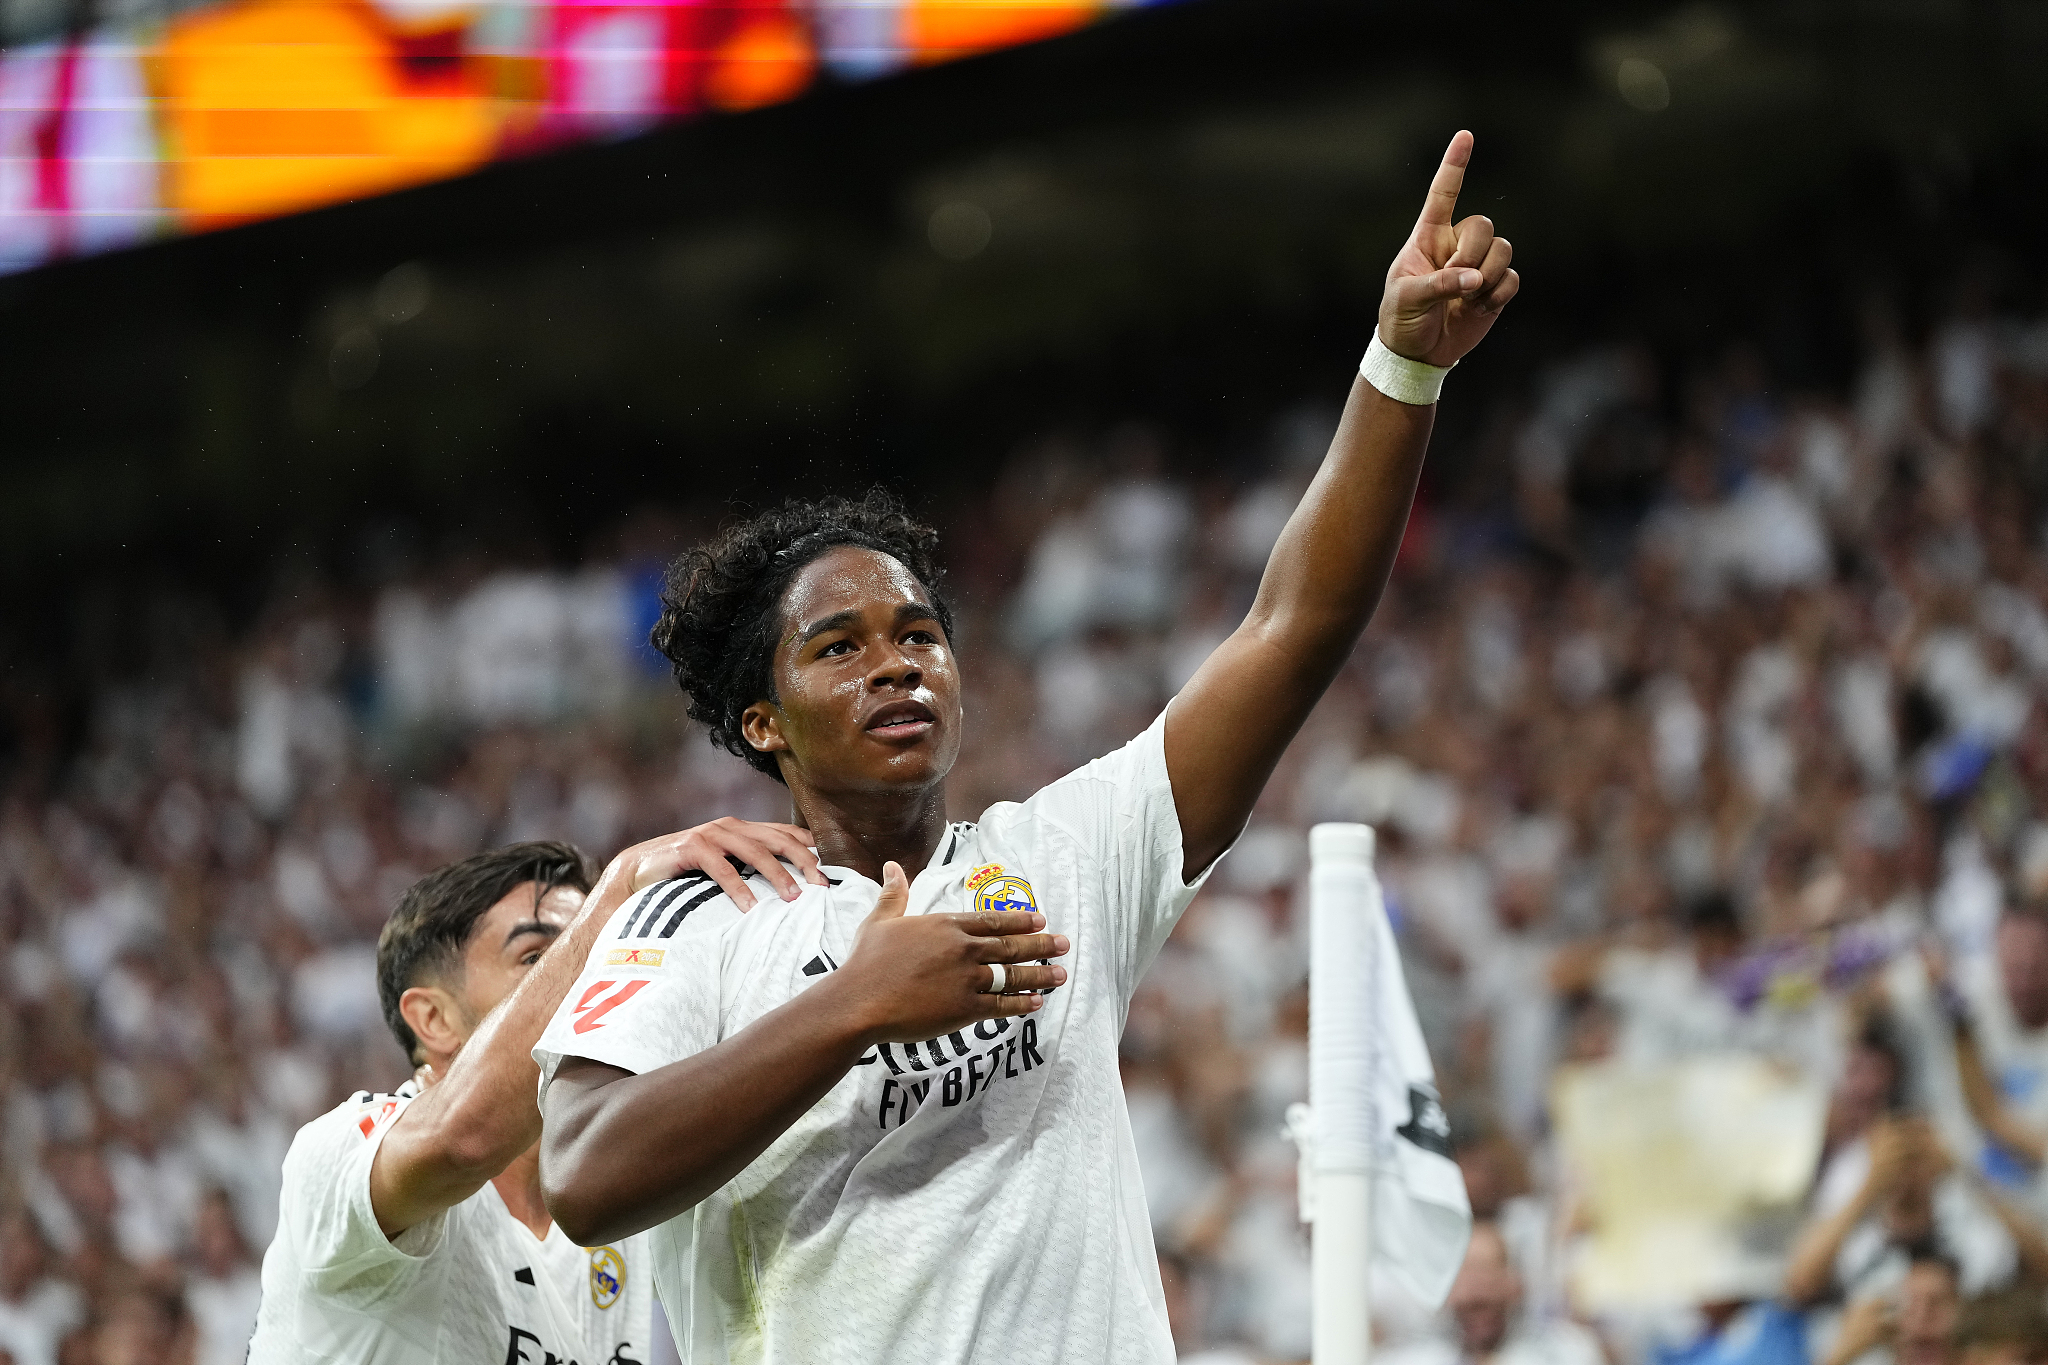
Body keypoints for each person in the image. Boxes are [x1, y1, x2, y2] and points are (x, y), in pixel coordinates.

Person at [535, 130, 1517, 1362]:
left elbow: (1292, 625)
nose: (896, 661)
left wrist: (1402, 371)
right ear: (759, 721)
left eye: (918, 633)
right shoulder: (702, 917)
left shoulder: (1065, 857)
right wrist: (854, 1007)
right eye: (837, 647)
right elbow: (583, 1175)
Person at [247, 821, 823, 1364]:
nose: (591, 973)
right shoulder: (336, 1152)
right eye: (536, 956)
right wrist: (620, 887)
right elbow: (461, 1140)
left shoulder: (618, 1204)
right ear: (434, 1019)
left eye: (597, 949)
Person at [1376, 1221, 1602, 1365]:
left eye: (1486, 1272)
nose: (1474, 1291)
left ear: (1516, 1284)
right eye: (1463, 1275)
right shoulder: (1413, 1359)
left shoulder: (1568, 1353)